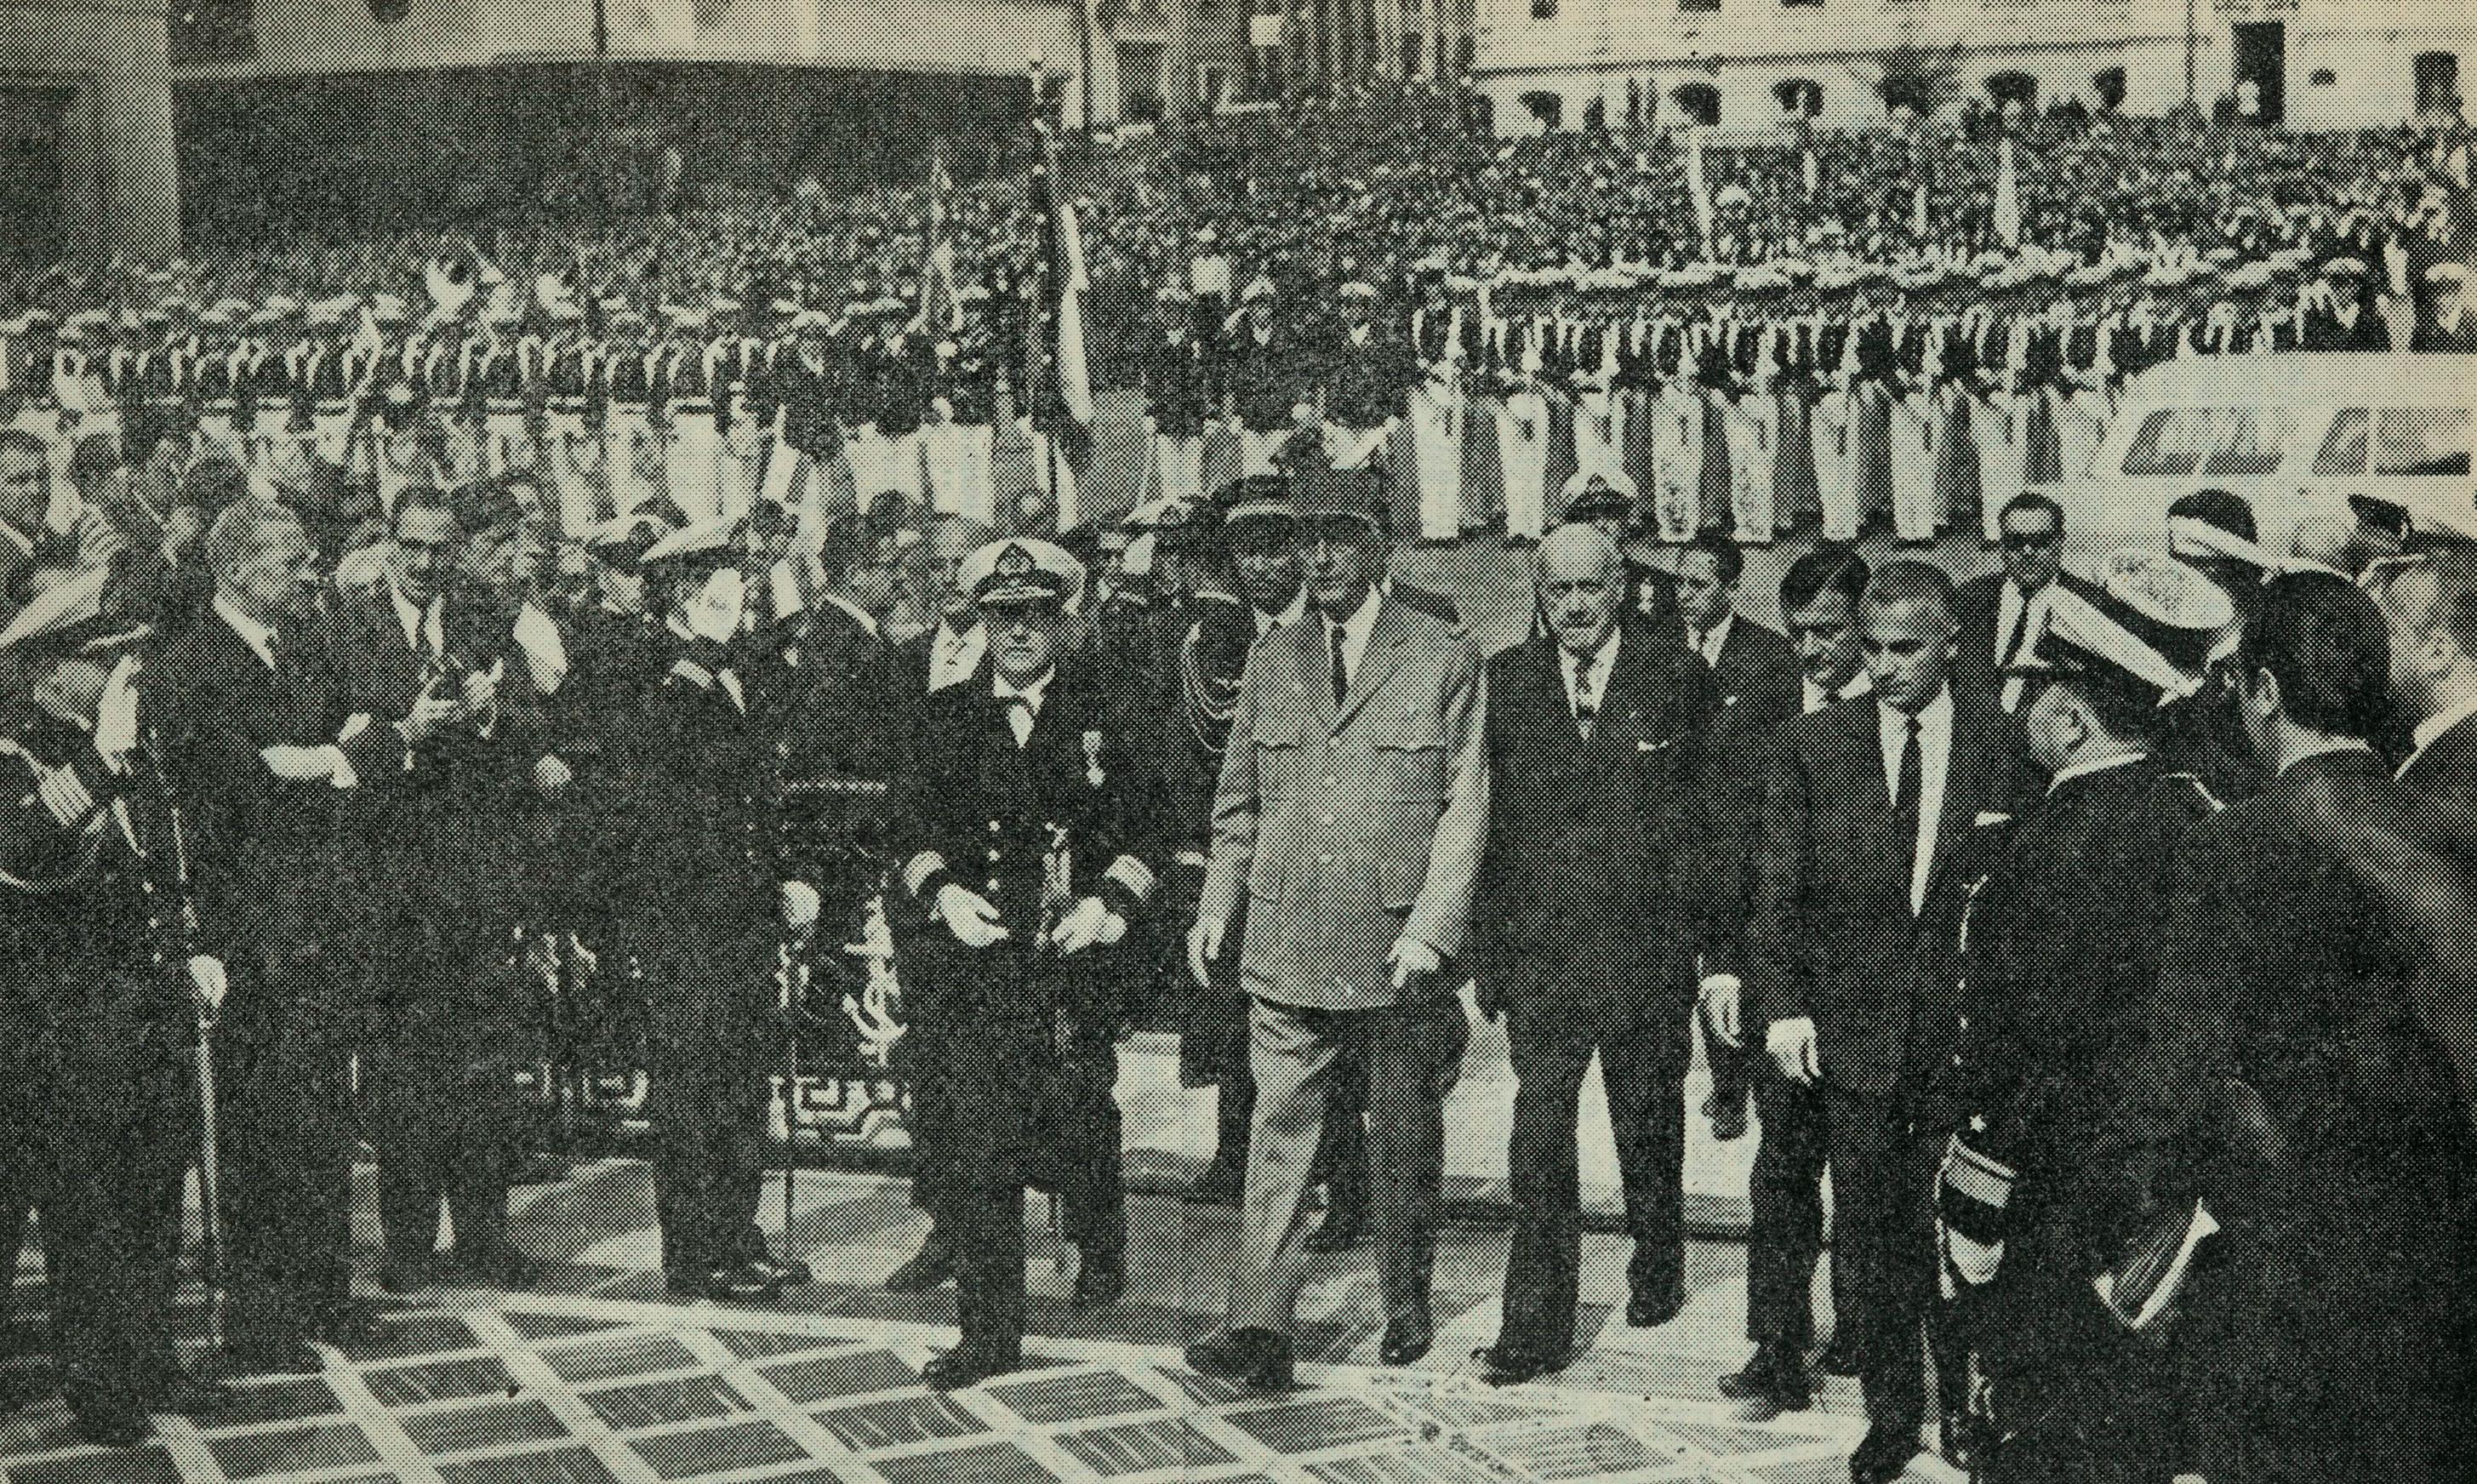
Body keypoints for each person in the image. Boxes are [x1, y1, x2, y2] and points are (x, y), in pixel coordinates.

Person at [2118, 573, 2476, 1482]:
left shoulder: (2234, 844)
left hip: (2284, 1260)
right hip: (2439, 1247)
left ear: (2266, 691)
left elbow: (2178, 1072)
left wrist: (2133, 1234)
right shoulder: (2445, 818)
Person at [1721, 560, 2038, 1484]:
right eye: (1873, 648)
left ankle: (1972, 1408)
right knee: (1872, 1240)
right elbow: (1776, 892)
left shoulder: (2004, 743)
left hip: (1960, 1046)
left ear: (1951, 643)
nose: (1886, 666)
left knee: (1969, 1242)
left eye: (1907, 648)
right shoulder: (1812, 744)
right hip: (1853, 1045)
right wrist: (1785, 1009)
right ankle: (1891, 1417)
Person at [1184, 473, 1487, 1393]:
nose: (1317, 558)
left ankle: (1405, 1301)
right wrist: (1217, 904)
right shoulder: (1272, 659)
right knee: (1277, 1138)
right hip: (1285, 940)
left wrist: (1433, 928)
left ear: (1379, 547)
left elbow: (1465, 805)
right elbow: (1239, 804)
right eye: (1305, 539)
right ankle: (1259, 1325)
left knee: (1400, 1137)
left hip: (1395, 950)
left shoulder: (1440, 653)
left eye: (1339, 538)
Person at [1937, 557, 2230, 1484]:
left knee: (2049, 1423)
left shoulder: (2046, 846)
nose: (2020, 711)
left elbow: (2014, 1045)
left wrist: (1975, 1190)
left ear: (2070, 718)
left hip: (2058, 1192)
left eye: (2033, 692)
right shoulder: (2201, 815)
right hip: (2169, 1193)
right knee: (2140, 1422)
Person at [887, 538, 1162, 1388]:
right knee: (979, 1147)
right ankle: (988, 1332)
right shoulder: (943, 715)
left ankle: (1100, 1244)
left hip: (1070, 959)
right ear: (981, 621)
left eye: (1035, 615)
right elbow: (907, 825)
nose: (1017, 632)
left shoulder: (1105, 711)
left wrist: (1109, 902)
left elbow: (1150, 825)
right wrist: (941, 891)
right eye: (1002, 616)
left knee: (1079, 1115)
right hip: (976, 963)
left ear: (1060, 621)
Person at [149, 501, 411, 1373]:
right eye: (290, 561)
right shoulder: (191, 663)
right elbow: (244, 781)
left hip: (320, 914)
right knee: (259, 1120)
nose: (307, 574)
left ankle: (322, 1292)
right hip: (249, 924)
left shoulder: (302, 646)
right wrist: (336, 759)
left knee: (320, 1110)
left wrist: (329, 757)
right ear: (235, 569)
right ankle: (260, 1314)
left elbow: (354, 736)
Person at [1469, 524, 1717, 1385]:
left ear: (1620, 587)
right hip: (1542, 959)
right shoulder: (1504, 681)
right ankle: (1533, 1326)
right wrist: (1489, 954)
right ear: (1538, 595)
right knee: (1538, 1137)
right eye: (1557, 590)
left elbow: (1705, 821)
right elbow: (1486, 826)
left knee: (1647, 1124)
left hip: (1644, 956)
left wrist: (1698, 946)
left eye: (1590, 587)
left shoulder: (1676, 675)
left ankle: (1658, 1261)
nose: (1575, 605)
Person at [0, 609, 232, 1443]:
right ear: (49, 672)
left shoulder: (130, 746)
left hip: (145, 1003)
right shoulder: (16, 752)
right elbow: (22, 851)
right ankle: (101, 1387)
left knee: (151, 1193)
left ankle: (149, 1359)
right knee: (88, 1208)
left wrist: (194, 946)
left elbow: (165, 856)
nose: (127, 672)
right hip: (57, 1019)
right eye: (107, 658)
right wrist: (100, 761)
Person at [590, 520, 824, 1303]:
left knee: (740, 1079)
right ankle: (697, 1252)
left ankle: (737, 1232)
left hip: (740, 912)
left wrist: (784, 880)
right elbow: (663, 795)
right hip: (682, 918)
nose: (735, 593)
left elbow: (757, 792)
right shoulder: (645, 669)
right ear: (682, 590)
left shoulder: (732, 667)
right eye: (717, 581)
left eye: (736, 580)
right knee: (693, 1087)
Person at [324, 487, 540, 1292]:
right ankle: (409, 1242)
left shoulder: (483, 618)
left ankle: (485, 1237)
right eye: (409, 546)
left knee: (481, 1065)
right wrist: (405, 735)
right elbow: (333, 740)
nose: (423, 562)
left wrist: (489, 714)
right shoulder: (345, 626)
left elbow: (528, 726)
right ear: (388, 545)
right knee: (401, 1070)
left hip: (472, 880)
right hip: (390, 883)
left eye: (437, 548)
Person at [1704, 546, 1874, 1412]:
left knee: (1869, 1177)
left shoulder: (1907, 712)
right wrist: (1722, 965)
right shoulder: (1756, 709)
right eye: (1799, 632)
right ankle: (1776, 1344)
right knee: (1781, 1173)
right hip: (1781, 986)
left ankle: (1862, 1330)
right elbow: (1721, 847)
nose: (1812, 651)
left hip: (1875, 992)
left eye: (1830, 632)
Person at [1675, 534, 1798, 1143]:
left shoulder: (1770, 655)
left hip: (1741, 835)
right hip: (1678, 835)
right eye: (1680, 582)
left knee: (1736, 957)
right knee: (1696, 963)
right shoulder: (1658, 647)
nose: (1685, 595)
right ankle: (1723, 1085)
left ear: (1730, 588)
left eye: (1699, 585)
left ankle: (1738, 1086)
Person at [1952, 493, 2103, 710]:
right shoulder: (1970, 597)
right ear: (2002, 544)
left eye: (2040, 541)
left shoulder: (2090, 603)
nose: (2027, 551)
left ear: (2060, 543)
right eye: (2016, 542)